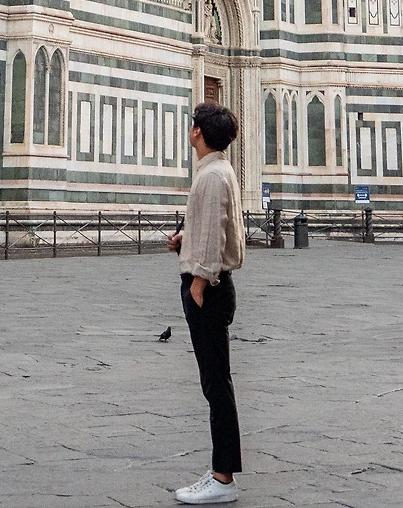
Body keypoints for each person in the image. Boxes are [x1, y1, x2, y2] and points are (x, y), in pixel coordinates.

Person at [166, 101, 246, 505]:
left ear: (198, 132)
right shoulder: (217, 170)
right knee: (215, 383)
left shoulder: (212, 176)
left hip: (209, 290)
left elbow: (216, 233)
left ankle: (222, 478)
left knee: (216, 385)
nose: (191, 129)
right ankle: (220, 472)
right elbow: (217, 226)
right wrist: (187, 239)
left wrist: (199, 283)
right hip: (212, 285)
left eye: (193, 124)